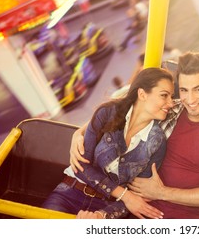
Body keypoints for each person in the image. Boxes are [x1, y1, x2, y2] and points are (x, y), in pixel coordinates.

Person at [70, 51, 199, 219]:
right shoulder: (169, 109)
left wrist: (162, 192)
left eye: (198, 89)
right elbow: (117, 112)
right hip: (138, 210)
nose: (190, 99)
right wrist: (78, 134)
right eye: (184, 90)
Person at [42, 68, 174, 219]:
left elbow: (138, 196)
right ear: (142, 94)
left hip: (106, 206)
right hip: (70, 193)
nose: (170, 103)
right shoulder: (107, 113)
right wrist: (125, 195)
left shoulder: (158, 142)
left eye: (171, 96)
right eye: (164, 95)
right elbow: (80, 167)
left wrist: (103, 215)